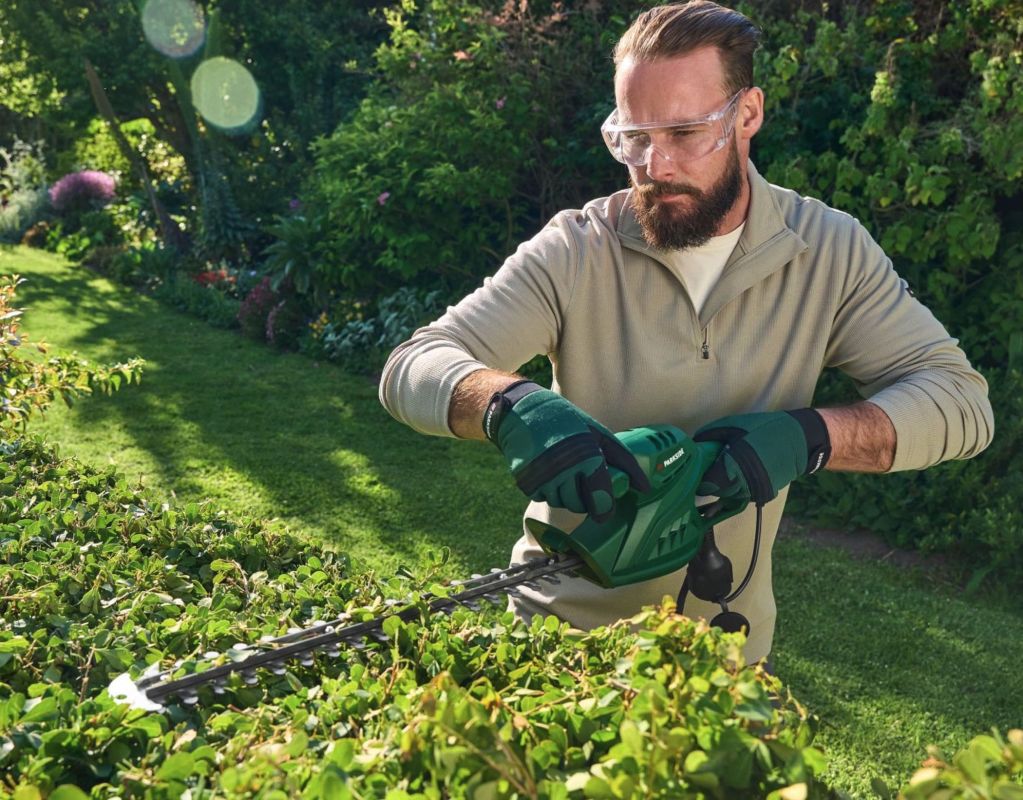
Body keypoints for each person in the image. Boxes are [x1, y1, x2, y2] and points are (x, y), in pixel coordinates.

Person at [378, 0, 993, 664]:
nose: (654, 164)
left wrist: (809, 438)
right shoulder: (576, 249)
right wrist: (508, 406)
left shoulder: (827, 251)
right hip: (557, 645)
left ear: (747, 114)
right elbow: (412, 367)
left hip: (723, 657)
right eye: (633, 136)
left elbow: (960, 402)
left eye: (683, 132)